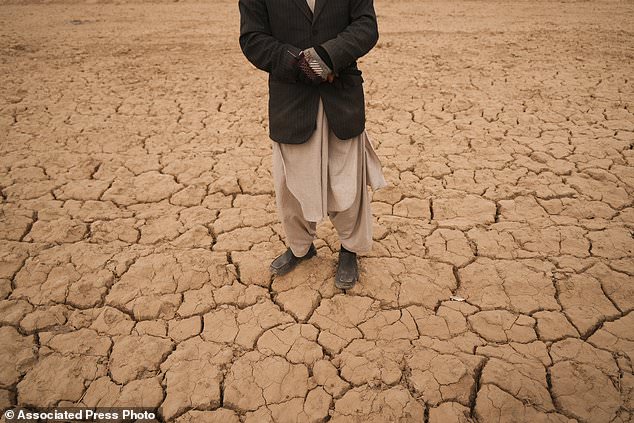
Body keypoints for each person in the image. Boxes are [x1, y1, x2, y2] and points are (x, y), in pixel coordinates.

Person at [238, 0, 387, 289]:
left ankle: (349, 249)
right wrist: (297, 63)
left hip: (341, 95)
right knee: (291, 185)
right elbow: (252, 38)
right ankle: (300, 248)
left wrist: (325, 57)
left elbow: (366, 26)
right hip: (290, 100)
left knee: (347, 180)